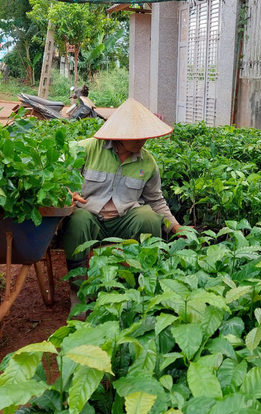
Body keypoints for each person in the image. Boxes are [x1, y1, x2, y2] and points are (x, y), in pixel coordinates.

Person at [62, 98, 184, 311]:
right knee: (77, 220)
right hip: (90, 219)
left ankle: (143, 285)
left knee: (149, 217)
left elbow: (156, 200)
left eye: (144, 135)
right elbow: (57, 177)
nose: (142, 141)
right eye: (136, 135)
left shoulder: (148, 162)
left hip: (124, 220)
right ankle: (79, 292)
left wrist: (176, 227)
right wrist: (66, 194)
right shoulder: (87, 149)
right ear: (120, 133)